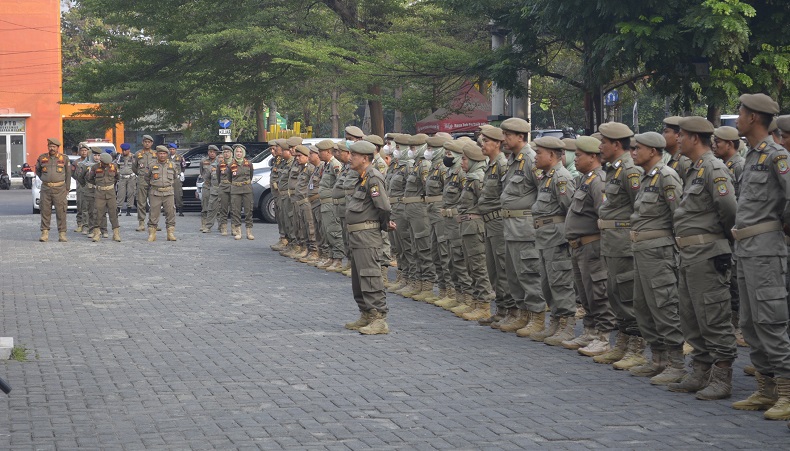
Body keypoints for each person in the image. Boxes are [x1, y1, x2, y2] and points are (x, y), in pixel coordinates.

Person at [667, 116, 737, 400]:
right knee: (691, 315)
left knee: (713, 315)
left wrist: (718, 241)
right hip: (690, 254)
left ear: (695, 138)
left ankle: (722, 376)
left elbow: (729, 210)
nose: (678, 140)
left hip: (708, 253)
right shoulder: (695, 170)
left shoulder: (713, 168)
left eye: (681, 135)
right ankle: (700, 370)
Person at [731, 95, 790, 420]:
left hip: (766, 249)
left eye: (740, 112)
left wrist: (781, 226)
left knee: (770, 321)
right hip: (747, 250)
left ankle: (786, 392)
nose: (737, 117)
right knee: (750, 323)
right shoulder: (752, 155)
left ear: (753, 117)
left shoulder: (776, 156)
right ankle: (766, 389)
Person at [627, 132, 686, 384]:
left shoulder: (666, 177)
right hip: (642, 250)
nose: (632, 152)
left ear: (652, 151)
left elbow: (679, 216)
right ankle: (658, 358)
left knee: (664, 305)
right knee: (643, 306)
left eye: (637, 148)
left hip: (659, 251)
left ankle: (676, 363)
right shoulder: (646, 177)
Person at [593, 122, 646, 369]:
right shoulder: (614, 169)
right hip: (612, 243)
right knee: (615, 293)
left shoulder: (629, 170)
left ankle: (636, 347)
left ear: (616, 144)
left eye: (604, 142)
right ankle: (622, 343)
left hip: (623, 243)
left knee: (627, 295)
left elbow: (640, 207)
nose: (600, 146)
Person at [562, 136, 615, 355]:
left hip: (592, 246)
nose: (575, 159)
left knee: (598, 292)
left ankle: (603, 337)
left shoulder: (598, 181)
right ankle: (590, 331)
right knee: (585, 294)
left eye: (579, 155)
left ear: (593, 157)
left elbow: (603, 213)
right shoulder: (585, 179)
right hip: (579, 246)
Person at [497, 118, 545, 334]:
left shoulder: (530, 159)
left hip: (525, 228)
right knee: (514, 275)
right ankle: (522, 313)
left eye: (508, 135)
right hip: (511, 227)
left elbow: (542, 192)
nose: (504, 139)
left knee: (529, 273)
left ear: (520, 137)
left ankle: (537, 316)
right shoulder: (513, 159)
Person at [529, 137, 577, 345]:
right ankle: (555, 324)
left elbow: (570, 211)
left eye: (539, 153)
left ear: (551, 155)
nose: (536, 156)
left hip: (556, 239)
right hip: (544, 237)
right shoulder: (547, 177)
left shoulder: (561, 178)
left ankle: (567, 326)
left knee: (560, 283)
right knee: (547, 284)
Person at [343, 140, 394, 335]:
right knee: (358, 278)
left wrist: (383, 225)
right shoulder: (362, 177)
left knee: (370, 276)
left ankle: (378, 318)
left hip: (367, 236)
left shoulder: (373, 177)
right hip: (358, 236)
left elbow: (384, 207)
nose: (350, 158)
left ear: (364, 158)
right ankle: (365, 313)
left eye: (353, 156)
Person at [468, 126, 513, 324]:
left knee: (503, 269)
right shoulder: (491, 165)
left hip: (498, 222)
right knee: (493, 270)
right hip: (488, 222)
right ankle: (501, 310)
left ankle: (510, 311)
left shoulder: (503, 165)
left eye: (486, 141)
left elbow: (506, 195)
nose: (482, 145)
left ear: (497, 143)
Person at [713, 126, 748, 348]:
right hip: (728, 233)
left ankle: (739, 326)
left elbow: (737, 203)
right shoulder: (723, 166)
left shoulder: (739, 166)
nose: (715, 145)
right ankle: (734, 324)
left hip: (736, 232)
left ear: (731, 144)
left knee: (735, 282)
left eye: (719, 142)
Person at [452, 142, 496, 318]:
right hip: (467, 226)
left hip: (475, 227)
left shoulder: (478, 179)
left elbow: (485, 204)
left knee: (478, 267)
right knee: (471, 266)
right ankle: (476, 302)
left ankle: (484, 304)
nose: (461, 162)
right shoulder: (471, 178)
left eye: (464, 159)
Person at [434, 138, 474, 310]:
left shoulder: (463, 175)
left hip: (458, 221)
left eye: (450, 153)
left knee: (459, 259)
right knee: (451, 259)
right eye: (446, 153)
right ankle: (458, 296)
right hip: (448, 221)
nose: (447, 156)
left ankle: (468, 298)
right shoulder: (451, 173)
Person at [36, 137, 71, 242]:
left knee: (61, 212)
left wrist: (67, 188)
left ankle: (62, 234)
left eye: (54, 147)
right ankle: (44, 233)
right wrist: (44, 178)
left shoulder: (64, 158)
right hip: (46, 188)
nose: (52, 148)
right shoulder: (42, 158)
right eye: (50, 146)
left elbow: (68, 174)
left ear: (58, 148)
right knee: (45, 211)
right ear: (48, 147)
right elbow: (38, 170)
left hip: (60, 188)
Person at [317, 140, 344, 270]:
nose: (318, 154)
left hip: (331, 204)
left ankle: (338, 258)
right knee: (327, 231)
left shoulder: (335, 165)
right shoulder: (327, 165)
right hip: (325, 203)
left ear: (328, 152)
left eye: (320, 151)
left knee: (334, 230)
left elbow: (339, 184)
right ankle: (332, 256)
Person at [145, 146, 178, 241]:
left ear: (167, 155)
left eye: (164, 153)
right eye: (160, 153)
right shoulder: (151, 165)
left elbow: (175, 177)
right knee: (153, 213)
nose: (162, 155)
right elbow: (146, 178)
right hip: (155, 192)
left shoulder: (172, 165)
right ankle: (152, 233)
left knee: (170, 212)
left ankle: (170, 233)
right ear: (157, 154)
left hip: (168, 192)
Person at [86, 153, 121, 242]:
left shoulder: (114, 167)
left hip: (111, 193)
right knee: (97, 213)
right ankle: (97, 233)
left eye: (108, 163)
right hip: (99, 193)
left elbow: (117, 177)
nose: (107, 165)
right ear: (101, 162)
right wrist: (98, 185)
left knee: (113, 213)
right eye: (105, 164)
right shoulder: (95, 167)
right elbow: (90, 178)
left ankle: (116, 233)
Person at [229, 144, 254, 240]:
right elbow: (228, 177)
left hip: (247, 188)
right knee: (236, 210)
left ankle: (249, 232)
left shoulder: (249, 163)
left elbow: (251, 175)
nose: (238, 153)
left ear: (243, 153)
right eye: (237, 152)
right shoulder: (231, 164)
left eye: (240, 152)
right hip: (235, 189)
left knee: (248, 210)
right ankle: (238, 231)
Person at [133, 135, 157, 232]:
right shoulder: (138, 154)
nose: (147, 143)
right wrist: (140, 174)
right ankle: (141, 223)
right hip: (142, 180)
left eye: (149, 142)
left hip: (153, 180)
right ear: (142, 142)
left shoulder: (155, 154)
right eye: (145, 142)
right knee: (141, 202)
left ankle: (153, 223)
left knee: (154, 202)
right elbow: (134, 168)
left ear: (152, 143)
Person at [199, 145, 219, 232]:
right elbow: (202, 172)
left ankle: (221, 225)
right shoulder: (203, 161)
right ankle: (204, 224)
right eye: (210, 152)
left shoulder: (219, 161)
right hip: (206, 185)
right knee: (205, 205)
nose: (212, 154)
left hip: (215, 186)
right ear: (208, 152)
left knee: (217, 206)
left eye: (214, 152)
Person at [72, 143, 91, 233]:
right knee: (80, 204)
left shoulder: (90, 162)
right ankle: (79, 224)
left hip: (89, 185)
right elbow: (72, 173)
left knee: (88, 206)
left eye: (85, 150)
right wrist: (78, 179)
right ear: (79, 152)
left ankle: (87, 225)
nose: (84, 152)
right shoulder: (76, 163)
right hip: (80, 185)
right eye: (82, 151)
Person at [217, 145, 233, 236]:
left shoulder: (235, 163)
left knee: (234, 209)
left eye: (228, 152)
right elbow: (218, 176)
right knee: (223, 208)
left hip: (233, 187)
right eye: (225, 152)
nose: (226, 154)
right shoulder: (220, 164)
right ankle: (223, 227)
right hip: (223, 187)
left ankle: (235, 228)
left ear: (231, 153)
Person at [116, 143, 137, 217]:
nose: (124, 152)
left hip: (131, 177)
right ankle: (119, 209)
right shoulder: (119, 157)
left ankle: (129, 210)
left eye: (125, 150)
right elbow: (116, 166)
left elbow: (137, 166)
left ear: (129, 150)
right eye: (123, 150)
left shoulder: (133, 157)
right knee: (120, 194)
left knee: (130, 193)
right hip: (122, 177)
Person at [169, 143, 186, 216]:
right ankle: (169, 210)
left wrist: (181, 173)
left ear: (175, 150)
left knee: (178, 194)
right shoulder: (166, 157)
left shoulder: (180, 157)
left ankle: (180, 210)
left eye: (173, 149)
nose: (172, 151)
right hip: (168, 178)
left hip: (176, 178)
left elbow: (183, 166)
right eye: (170, 149)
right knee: (168, 194)